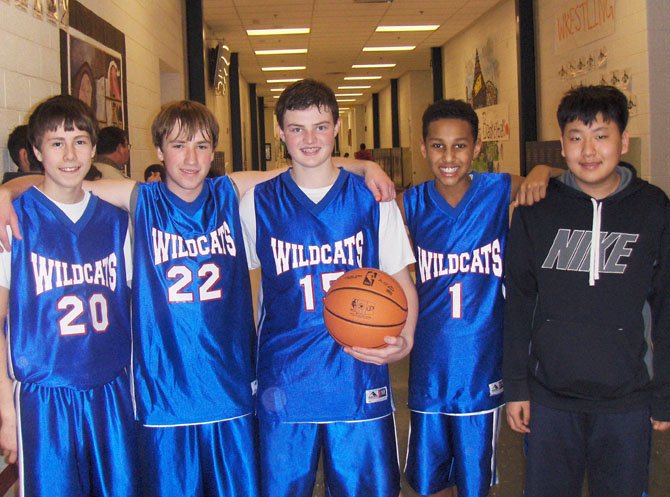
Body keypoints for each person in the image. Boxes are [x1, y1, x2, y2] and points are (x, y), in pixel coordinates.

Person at [0, 99, 394, 497]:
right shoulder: (140, 200)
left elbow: (301, 166)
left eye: (202, 146)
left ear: (214, 153)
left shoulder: (230, 193)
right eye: (177, 146)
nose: (191, 158)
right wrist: (8, 189)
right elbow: (67, 182)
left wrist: (363, 165)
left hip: (231, 389)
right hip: (164, 392)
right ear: (158, 152)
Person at [239, 79, 418, 497]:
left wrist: (406, 338)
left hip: (358, 373)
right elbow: (245, 291)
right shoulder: (257, 202)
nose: (309, 138)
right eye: (297, 128)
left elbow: (400, 279)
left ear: (337, 128)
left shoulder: (373, 198)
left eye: (320, 126)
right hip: (284, 380)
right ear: (280, 132)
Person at [503, 85, 670, 497]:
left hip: (626, 400)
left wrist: (665, 392)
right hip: (550, 397)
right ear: (562, 145)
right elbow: (518, 303)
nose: (589, 150)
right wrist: (516, 387)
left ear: (623, 141)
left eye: (601, 135)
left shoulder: (652, 208)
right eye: (576, 137)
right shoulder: (535, 210)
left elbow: (666, 305)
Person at [400, 99, 560, 497]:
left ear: (476, 148)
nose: (449, 157)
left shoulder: (499, 188)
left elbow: (568, 179)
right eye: (438, 146)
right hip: (430, 358)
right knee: (428, 478)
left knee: (474, 478)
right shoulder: (410, 203)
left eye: (460, 145)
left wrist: (543, 169)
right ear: (423, 148)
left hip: (482, 355)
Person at [0, 95, 137, 496]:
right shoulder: (14, 221)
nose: (70, 154)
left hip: (111, 388)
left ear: (94, 149)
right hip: (43, 395)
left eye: (80, 141)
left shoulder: (118, 224)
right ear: (36, 152)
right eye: (57, 143)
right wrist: (6, 410)